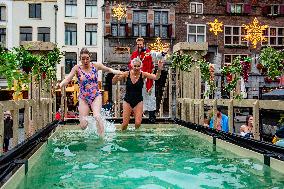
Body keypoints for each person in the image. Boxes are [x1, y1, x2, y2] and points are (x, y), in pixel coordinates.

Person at [59, 48, 122, 136]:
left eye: (87, 58)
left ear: (90, 57)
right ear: (80, 59)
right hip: (83, 98)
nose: (85, 61)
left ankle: (102, 138)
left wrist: (119, 72)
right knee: (83, 126)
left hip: (95, 96)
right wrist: (60, 85)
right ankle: (93, 126)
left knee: (97, 116)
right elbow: (68, 78)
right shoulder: (77, 68)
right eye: (83, 59)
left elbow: (108, 70)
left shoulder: (95, 66)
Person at [112, 58, 163, 130]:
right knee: (125, 124)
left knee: (138, 123)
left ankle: (136, 137)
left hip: (138, 101)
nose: (136, 68)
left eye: (138, 66)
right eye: (135, 66)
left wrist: (159, 69)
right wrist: (116, 75)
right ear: (132, 66)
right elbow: (114, 82)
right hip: (127, 101)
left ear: (141, 66)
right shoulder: (127, 74)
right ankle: (122, 137)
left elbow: (156, 77)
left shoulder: (143, 74)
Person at [129, 38, 156, 123]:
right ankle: (138, 116)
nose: (139, 46)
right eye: (138, 44)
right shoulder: (134, 54)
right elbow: (130, 66)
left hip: (147, 79)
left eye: (141, 44)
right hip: (138, 79)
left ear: (143, 44)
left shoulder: (148, 53)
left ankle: (152, 117)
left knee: (150, 97)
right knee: (138, 97)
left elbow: (152, 65)